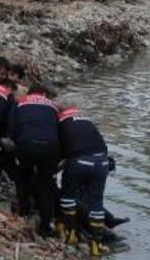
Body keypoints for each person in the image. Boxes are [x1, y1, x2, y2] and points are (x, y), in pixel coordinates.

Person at [7, 83, 62, 237]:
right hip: (50, 146)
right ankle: (46, 225)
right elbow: (59, 129)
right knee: (45, 185)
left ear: (29, 93)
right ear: (44, 94)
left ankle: (24, 208)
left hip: (27, 144)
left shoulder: (20, 102)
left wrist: (15, 144)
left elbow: (11, 125)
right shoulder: (53, 105)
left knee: (23, 174)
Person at [56, 103, 112, 257]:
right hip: (102, 162)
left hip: (80, 161)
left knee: (68, 196)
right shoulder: (87, 120)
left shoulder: (61, 123)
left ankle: (71, 233)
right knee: (96, 202)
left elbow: (60, 149)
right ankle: (96, 244)